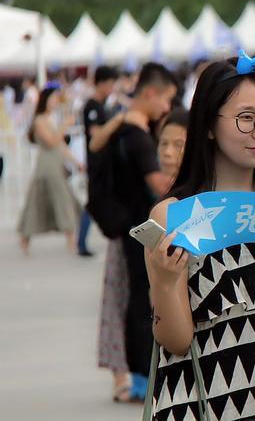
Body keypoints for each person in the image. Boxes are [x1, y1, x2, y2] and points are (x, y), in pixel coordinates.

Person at [144, 53, 255, 420]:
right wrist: (163, 282)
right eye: (246, 119)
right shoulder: (176, 215)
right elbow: (176, 340)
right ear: (209, 125)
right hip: (210, 400)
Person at [97, 109, 189, 403]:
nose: (167, 152)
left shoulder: (196, 201)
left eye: (178, 144)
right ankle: (141, 379)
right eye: (163, 143)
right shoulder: (155, 193)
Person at [110, 62, 177, 401]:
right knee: (144, 304)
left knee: (135, 302)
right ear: (150, 93)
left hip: (126, 229)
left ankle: (137, 377)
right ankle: (141, 378)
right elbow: (159, 183)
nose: (166, 108)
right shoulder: (137, 138)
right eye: (166, 100)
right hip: (142, 230)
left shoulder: (122, 129)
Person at [17, 82, 83, 254]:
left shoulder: (50, 119)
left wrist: (77, 162)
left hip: (55, 165)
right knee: (45, 201)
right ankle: (26, 239)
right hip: (46, 167)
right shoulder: (40, 121)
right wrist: (65, 125)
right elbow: (52, 141)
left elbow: (61, 146)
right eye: (53, 99)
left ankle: (71, 240)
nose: (55, 102)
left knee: (62, 200)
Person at [77, 65, 119, 257]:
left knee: (96, 202)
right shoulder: (92, 106)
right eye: (110, 84)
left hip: (105, 163)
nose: (112, 88)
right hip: (96, 163)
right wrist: (116, 122)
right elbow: (95, 134)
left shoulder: (102, 105)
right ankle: (81, 243)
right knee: (93, 203)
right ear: (101, 83)